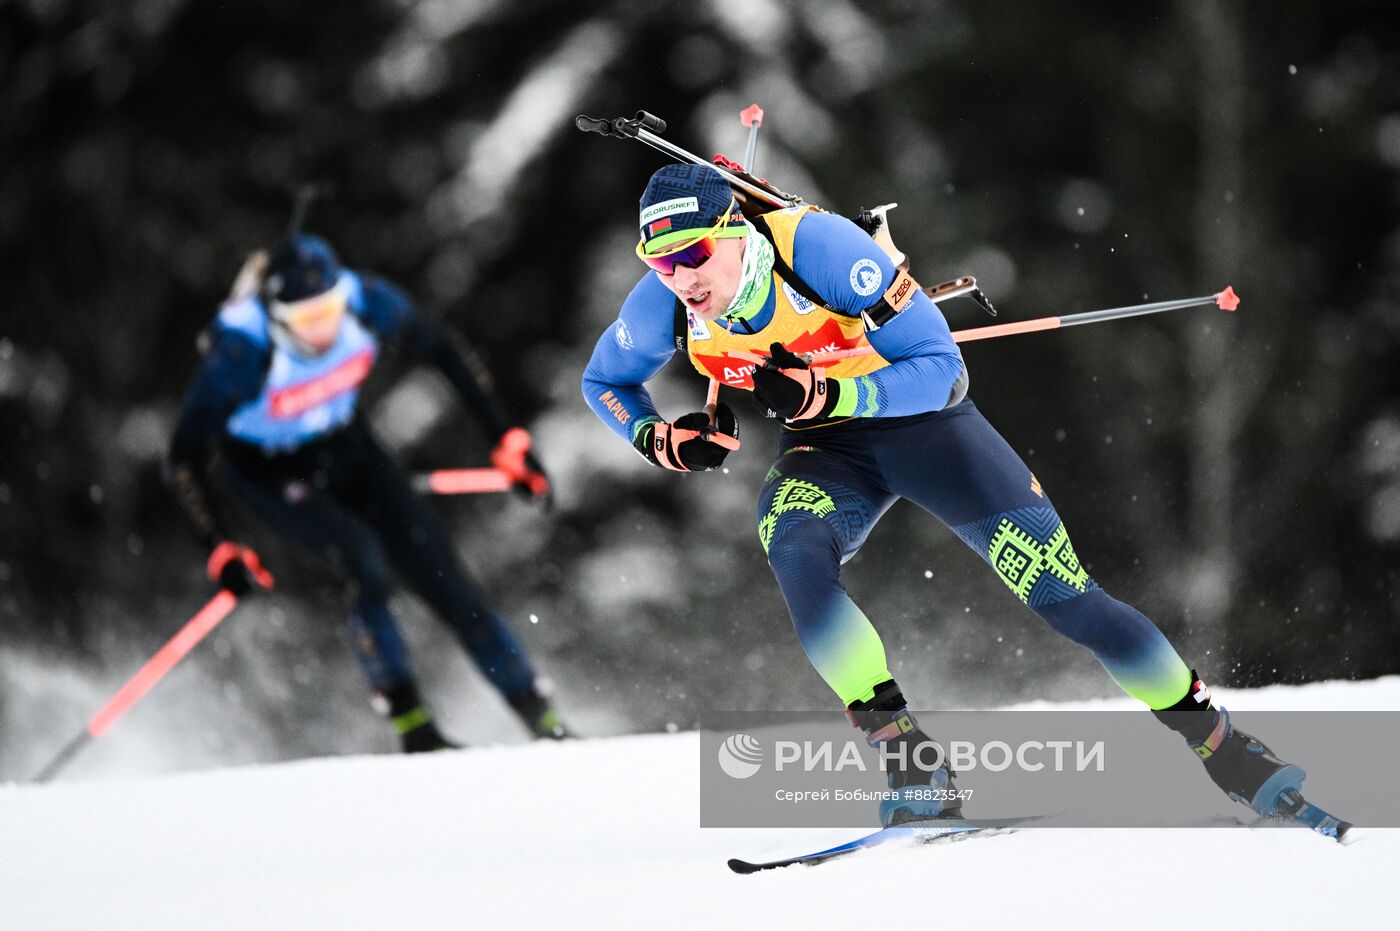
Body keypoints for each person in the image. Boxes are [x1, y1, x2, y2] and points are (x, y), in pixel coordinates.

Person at [582, 162, 1305, 826]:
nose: (680, 277)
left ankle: (1225, 747)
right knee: (793, 548)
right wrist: (659, 439)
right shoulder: (664, 305)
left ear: (734, 231)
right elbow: (604, 383)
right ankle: (910, 761)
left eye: (694, 255)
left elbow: (942, 369)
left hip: (926, 426)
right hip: (826, 451)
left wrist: (828, 388)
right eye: (660, 261)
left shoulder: (822, 250)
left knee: (1067, 599)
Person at [168, 232, 570, 752]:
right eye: (304, 320)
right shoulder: (240, 355)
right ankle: (413, 728)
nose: (323, 328)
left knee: (446, 579)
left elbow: (442, 347)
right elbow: (183, 456)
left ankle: (545, 723)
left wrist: (505, 437)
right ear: (275, 316)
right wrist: (217, 543)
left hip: (348, 447)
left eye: (329, 310)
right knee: (363, 562)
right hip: (268, 470)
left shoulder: (367, 302)